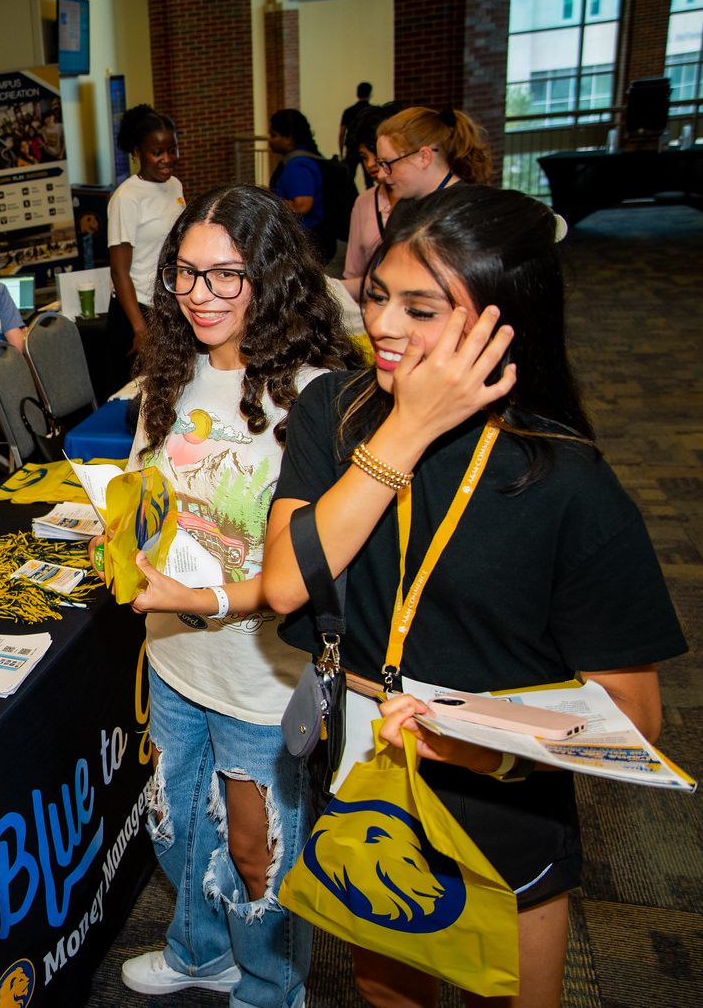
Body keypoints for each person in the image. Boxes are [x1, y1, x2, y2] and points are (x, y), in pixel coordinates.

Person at [262, 185, 685, 1008]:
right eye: (377, 294)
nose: (380, 324)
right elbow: (288, 577)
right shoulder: (334, 412)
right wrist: (408, 429)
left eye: (421, 308)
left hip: (499, 790)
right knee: (388, 990)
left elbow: (635, 713)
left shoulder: (566, 484)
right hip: (363, 761)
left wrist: (477, 744)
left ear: (502, 321)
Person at [107, 184, 361, 1008]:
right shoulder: (166, 375)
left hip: (263, 675)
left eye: (225, 275)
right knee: (175, 828)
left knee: (257, 849)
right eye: (185, 274)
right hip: (175, 659)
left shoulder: (318, 395)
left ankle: (271, 983)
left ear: (272, 275)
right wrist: (117, 538)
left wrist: (202, 592)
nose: (199, 296)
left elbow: (313, 568)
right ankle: (198, 949)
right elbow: (151, 497)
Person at [106, 104, 184, 393]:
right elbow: (119, 271)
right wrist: (140, 329)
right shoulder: (127, 198)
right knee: (135, 399)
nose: (167, 159)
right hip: (135, 312)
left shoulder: (175, 186)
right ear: (137, 152)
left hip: (166, 303)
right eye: (157, 152)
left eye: (172, 149)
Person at [340, 105, 400, 301]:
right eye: (365, 157)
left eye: (377, 155)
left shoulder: (426, 200)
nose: (371, 165)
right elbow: (352, 273)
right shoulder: (364, 202)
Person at [374, 105, 492, 202]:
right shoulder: (406, 207)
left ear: (424, 157)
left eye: (387, 163)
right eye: (380, 164)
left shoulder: (468, 210)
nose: (380, 175)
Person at [267, 109, 332, 263]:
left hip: (311, 239)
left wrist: (267, 200)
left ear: (288, 138)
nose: (270, 140)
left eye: (274, 135)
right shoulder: (305, 158)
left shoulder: (298, 165)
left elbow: (302, 205)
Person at [338, 81, 373, 185]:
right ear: (369, 94)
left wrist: (341, 152)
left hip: (351, 148)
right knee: (369, 179)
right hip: (367, 147)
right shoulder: (371, 111)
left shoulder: (349, 111)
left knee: (348, 179)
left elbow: (341, 134)